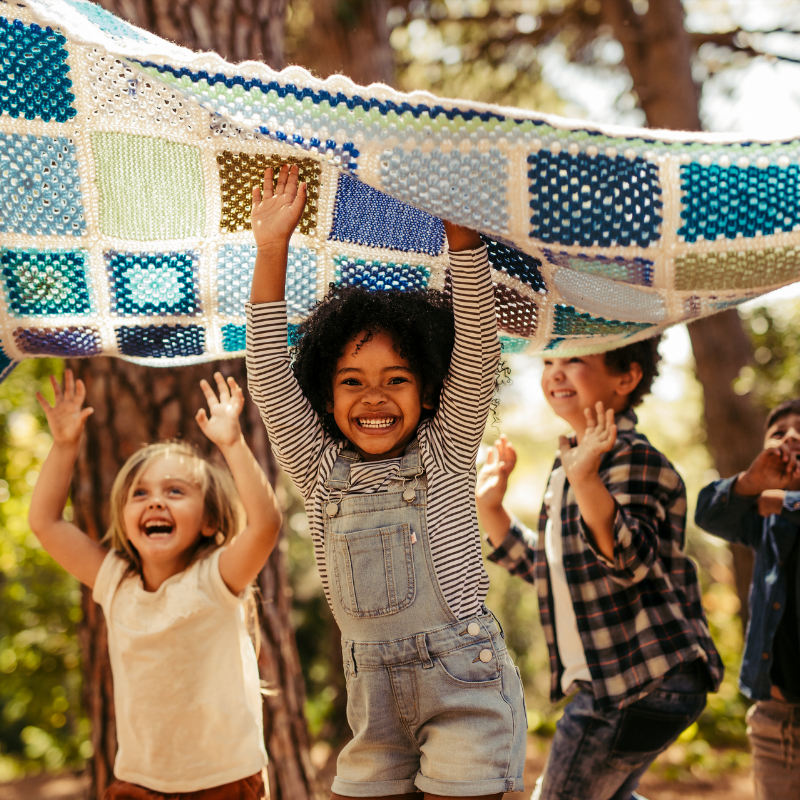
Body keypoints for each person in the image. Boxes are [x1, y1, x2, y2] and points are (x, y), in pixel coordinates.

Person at [246, 163, 527, 800]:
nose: (375, 396)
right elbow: (266, 375)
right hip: (370, 704)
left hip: (465, 688)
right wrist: (272, 250)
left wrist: (463, 239)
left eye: (396, 379)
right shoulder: (319, 471)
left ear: (428, 392)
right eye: (352, 381)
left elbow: (477, 347)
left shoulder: (446, 450)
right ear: (323, 395)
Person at [476, 339, 723, 800]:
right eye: (549, 361)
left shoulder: (632, 458)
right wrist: (492, 509)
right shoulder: (570, 464)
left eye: (575, 359)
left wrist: (586, 478)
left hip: (639, 681)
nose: (555, 373)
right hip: (628, 683)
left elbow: (629, 562)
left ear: (625, 378)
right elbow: (552, 571)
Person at [29, 370, 281, 800]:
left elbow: (265, 526)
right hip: (139, 785)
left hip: (223, 783)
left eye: (176, 491)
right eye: (140, 494)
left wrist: (233, 444)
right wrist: (65, 444)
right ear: (125, 518)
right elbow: (46, 523)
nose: (156, 501)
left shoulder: (216, 579)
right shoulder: (116, 582)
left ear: (208, 520)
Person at [695, 398, 800, 800]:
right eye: (778, 432)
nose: (791, 435)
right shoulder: (764, 520)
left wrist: (786, 501)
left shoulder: (775, 508)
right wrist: (750, 485)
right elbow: (708, 514)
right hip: (779, 723)